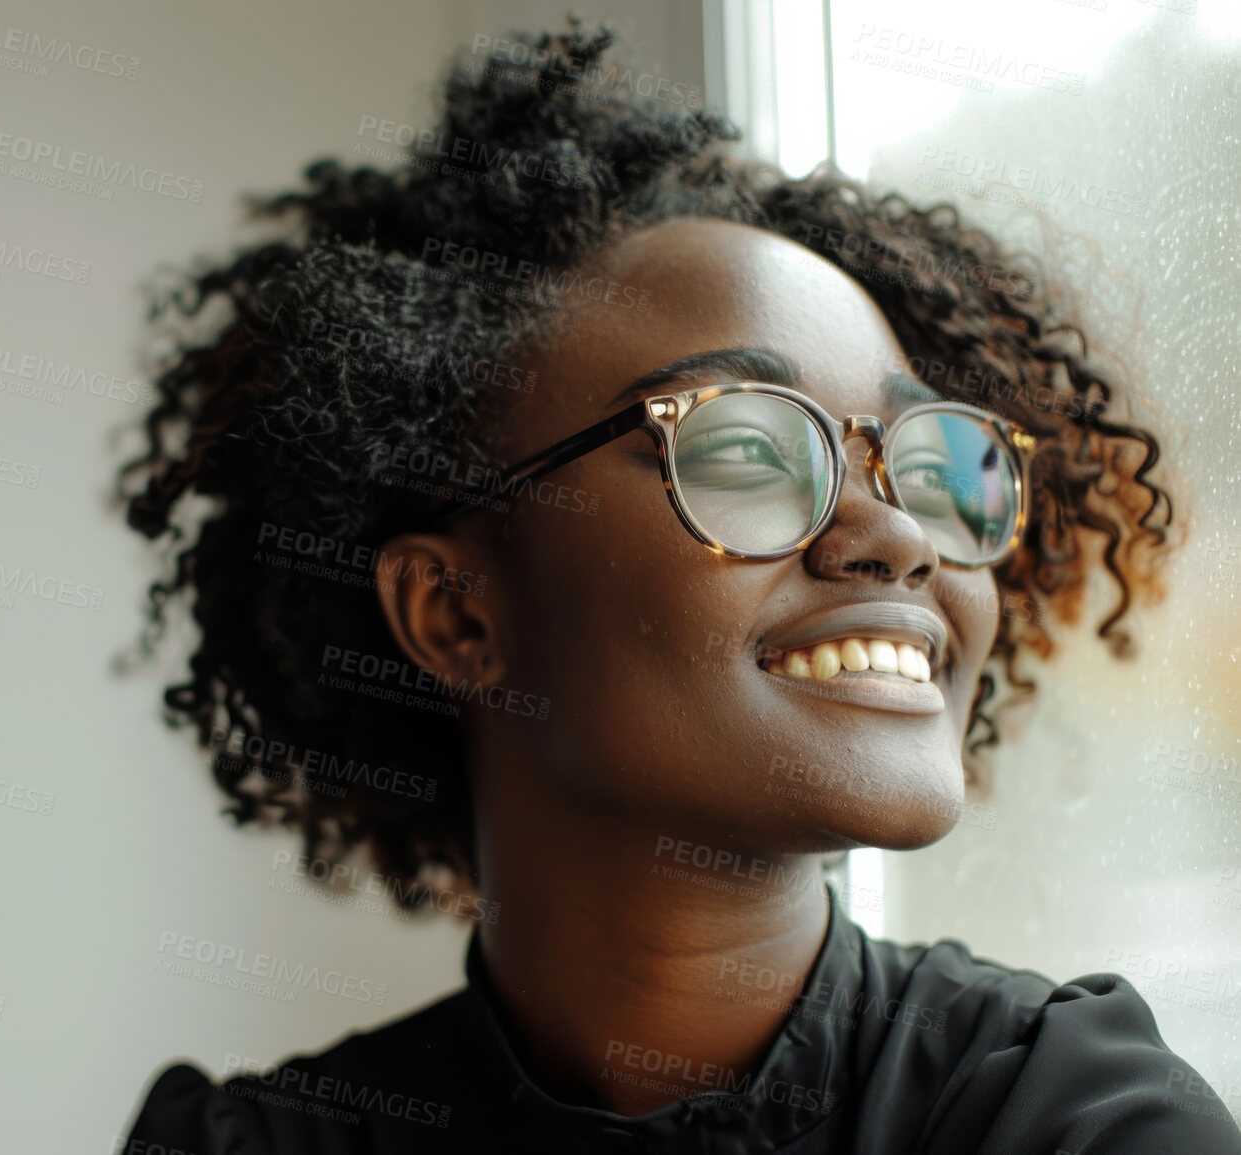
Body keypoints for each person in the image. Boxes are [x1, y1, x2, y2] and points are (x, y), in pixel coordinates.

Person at [115, 23, 1237, 1154]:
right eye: (745, 451)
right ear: (456, 614)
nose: (897, 535)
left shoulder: (1070, 1119)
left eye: (933, 467)